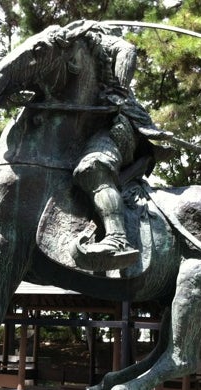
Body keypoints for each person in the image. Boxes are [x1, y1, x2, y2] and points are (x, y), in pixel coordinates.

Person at [72, 22, 173, 268]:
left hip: (117, 126)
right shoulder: (72, 50)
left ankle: (117, 239)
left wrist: (119, 90)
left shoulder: (104, 43)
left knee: (93, 166)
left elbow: (127, 50)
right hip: (82, 130)